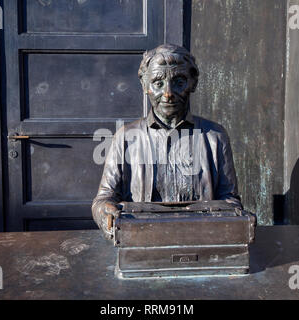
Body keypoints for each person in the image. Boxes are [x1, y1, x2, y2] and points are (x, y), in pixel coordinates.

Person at [92, 44, 241, 239]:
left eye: (179, 82)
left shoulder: (215, 136)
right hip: (142, 240)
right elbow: (103, 199)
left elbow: (230, 200)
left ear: (193, 82)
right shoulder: (126, 137)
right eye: (158, 83)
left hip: (200, 240)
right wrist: (106, 213)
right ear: (144, 85)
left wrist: (231, 217)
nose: (168, 93)